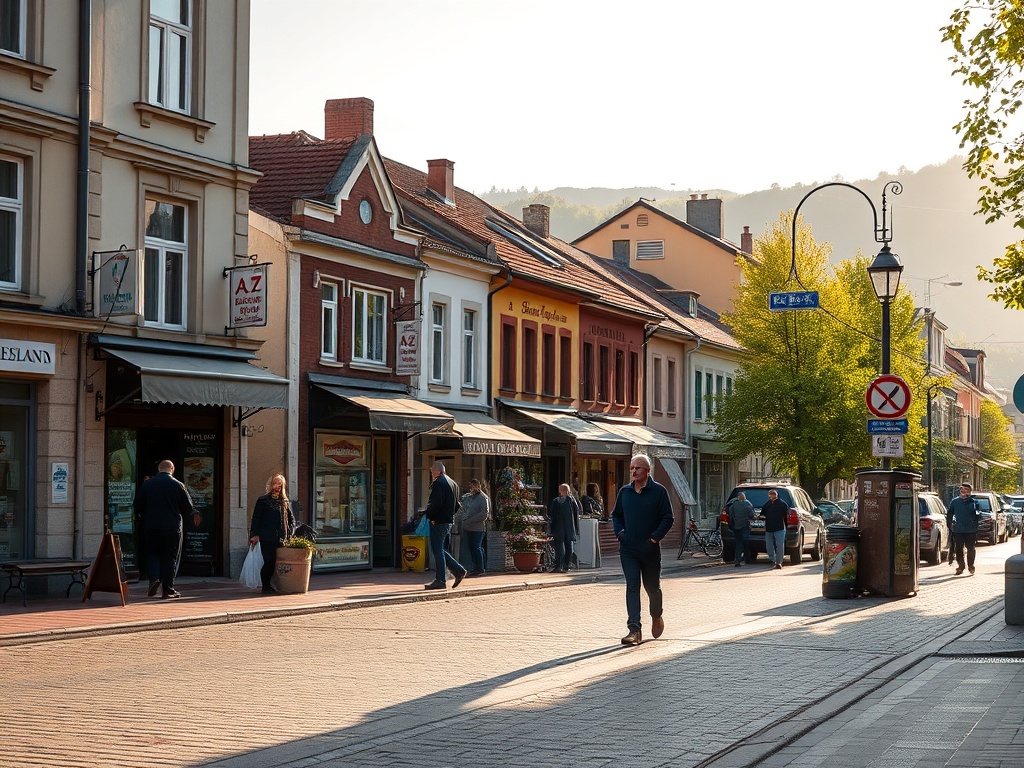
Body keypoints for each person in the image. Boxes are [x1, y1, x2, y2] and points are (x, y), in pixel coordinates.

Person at [611, 454, 674, 646]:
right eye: (631, 468)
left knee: (652, 588)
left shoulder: (659, 491)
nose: (633, 471)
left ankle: (656, 615)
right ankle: (634, 629)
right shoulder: (625, 492)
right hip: (628, 548)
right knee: (632, 586)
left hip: (649, 549)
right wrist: (620, 533)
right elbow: (616, 516)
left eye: (637, 468)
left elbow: (668, 518)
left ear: (647, 471)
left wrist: (654, 538)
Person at [133, 459, 193, 599]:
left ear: (159, 469)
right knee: (170, 557)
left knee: (152, 553)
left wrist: (145, 517)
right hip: (172, 527)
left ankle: (154, 579)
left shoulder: (148, 484)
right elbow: (189, 507)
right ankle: (168, 589)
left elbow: (137, 506)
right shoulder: (178, 485)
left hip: (151, 526)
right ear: (172, 469)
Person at [249, 474, 297, 594]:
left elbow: (291, 520)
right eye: (275, 484)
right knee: (269, 561)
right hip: (267, 536)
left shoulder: (284, 501)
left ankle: (274, 584)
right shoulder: (263, 500)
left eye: (280, 485)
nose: (278, 487)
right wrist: (254, 534)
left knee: (278, 562)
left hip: (281, 537)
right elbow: (256, 518)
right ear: (271, 485)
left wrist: (290, 533)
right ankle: (265, 585)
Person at [423, 461, 468, 590]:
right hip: (448, 520)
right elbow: (457, 505)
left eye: (432, 471)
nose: (431, 474)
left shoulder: (439, 483)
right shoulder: (453, 483)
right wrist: (449, 515)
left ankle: (440, 580)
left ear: (437, 471)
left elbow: (436, 503)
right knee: (441, 550)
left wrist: (430, 516)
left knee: (437, 550)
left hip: (439, 521)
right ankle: (458, 571)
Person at [947, 483, 982, 576]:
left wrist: (977, 516)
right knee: (958, 548)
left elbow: (978, 514)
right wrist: (949, 524)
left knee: (971, 548)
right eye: (962, 490)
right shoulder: (955, 501)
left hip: (971, 530)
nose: (964, 492)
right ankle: (961, 566)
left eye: (966, 490)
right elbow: (950, 513)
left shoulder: (974, 502)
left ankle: (971, 566)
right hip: (958, 529)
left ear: (970, 492)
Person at [459, 478, 491, 576]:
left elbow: (484, 514)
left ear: (477, 486)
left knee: (476, 547)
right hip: (468, 527)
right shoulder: (469, 497)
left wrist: (471, 519)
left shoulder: (482, 498)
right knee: (472, 548)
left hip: (478, 528)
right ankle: (475, 567)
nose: (470, 488)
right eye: (470, 487)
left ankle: (480, 568)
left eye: (472, 486)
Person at [548, 483, 581, 572]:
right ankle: (566, 564)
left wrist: (551, 527)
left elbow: (551, 514)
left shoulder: (556, 501)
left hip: (559, 527)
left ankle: (560, 565)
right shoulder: (572, 501)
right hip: (569, 526)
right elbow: (577, 513)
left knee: (560, 545)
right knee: (568, 545)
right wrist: (576, 528)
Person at [761, 489, 789, 570]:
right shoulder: (767, 504)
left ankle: (779, 562)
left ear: (776, 495)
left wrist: (786, 527)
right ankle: (773, 559)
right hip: (769, 528)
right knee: (769, 546)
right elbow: (762, 514)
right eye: (770, 494)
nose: (771, 496)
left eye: (773, 494)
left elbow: (785, 516)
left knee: (780, 545)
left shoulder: (782, 504)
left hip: (780, 528)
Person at [728, 492, 756, 567]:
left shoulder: (733, 505)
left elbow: (730, 516)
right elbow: (752, 515)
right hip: (745, 525)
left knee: (739, 542)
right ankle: (746, 558)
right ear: (744, 497)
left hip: (737, 527)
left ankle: (739, 559)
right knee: (745, 541)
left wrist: (733, 523)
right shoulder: (747, 504)